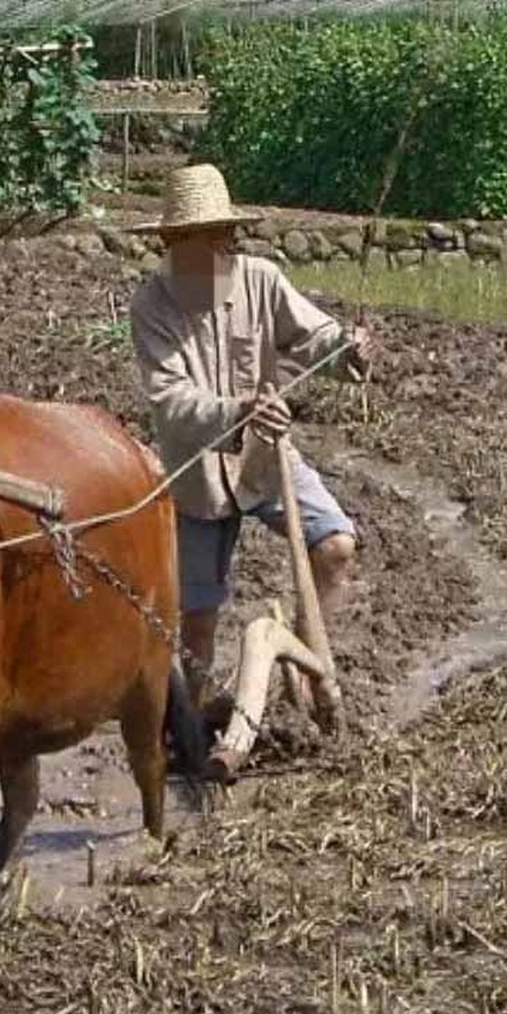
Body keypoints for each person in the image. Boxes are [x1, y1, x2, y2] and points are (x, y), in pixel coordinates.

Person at [129, 164, 378, 704]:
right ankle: (196, 718)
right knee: (197, 620)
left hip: (264, 460)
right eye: (197, 242)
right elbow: (171, 402)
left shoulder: (260, 280)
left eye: (221, 238)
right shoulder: (152, 306)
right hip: (195, 476)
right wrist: (239, 409)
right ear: (171, 243)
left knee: (335, 546)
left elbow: (315, 338)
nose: (214, 252)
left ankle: (306, 665)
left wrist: (347, 351)